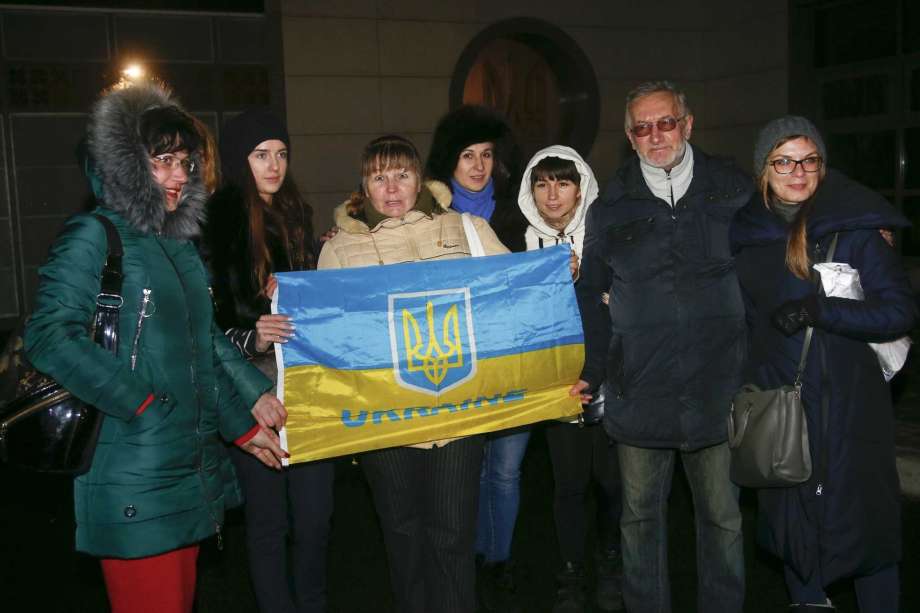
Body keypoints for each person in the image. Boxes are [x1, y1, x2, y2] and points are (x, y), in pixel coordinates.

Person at [23, 83, 286, 613]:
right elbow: (50, 334)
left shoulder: (174, 243)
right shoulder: (94, 235)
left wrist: (242, 423)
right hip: (132, 471)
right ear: (126, 163)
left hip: (185, 467)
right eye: (161, 161)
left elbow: (201, 344)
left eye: (185, 162)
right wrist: (140, 403)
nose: (178, 177)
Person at [572, 80, 749, 613]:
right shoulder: (610, 205)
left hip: (720, 386)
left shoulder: (734, 189)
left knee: (722, 519)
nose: (656, 136)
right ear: (630, 137)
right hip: (639, 389)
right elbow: (588, 293)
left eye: (666, 122)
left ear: (687, 125)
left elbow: (791, 220)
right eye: (642, 128)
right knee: (640, 520)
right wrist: (594, 369)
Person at [730, 116, 917, 612]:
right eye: (783, 161)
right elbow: (746, 323)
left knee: (865, 535)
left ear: (822, 166)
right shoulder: (746, 235)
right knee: (795, 533)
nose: (797, 171)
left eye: (808, 160)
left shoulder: (854, 229)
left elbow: (899, 310)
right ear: (763, 171)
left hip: (850, 411)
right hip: (783, 409)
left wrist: (823, 310)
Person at [318, 134, 508, 613]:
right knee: (402, 539)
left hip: (456, 414)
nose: (392, 187)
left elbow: (515, 290)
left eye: (401, 174)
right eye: (379, 177)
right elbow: (325, 333)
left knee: (452, 539)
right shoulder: (340, 248)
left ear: (419, 177)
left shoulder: (466, 229)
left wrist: (557, 271)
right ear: (364, 186)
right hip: (386, 421)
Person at [203, 108, 333, 613]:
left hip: (307, 382)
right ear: (241, 159)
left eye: (281, 154)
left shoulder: (295, 211)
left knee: (316, 516)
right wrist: (249, 335)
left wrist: (322, 266)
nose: (274, 165)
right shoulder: (218, 221)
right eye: (261, 155)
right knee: (267, 522)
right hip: (252, 390)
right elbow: (203, 322)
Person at [425, 105, 530, 610]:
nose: (478, 165)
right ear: (449, 160)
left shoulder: (520, 211)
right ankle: (466, 554)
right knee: (467, 467)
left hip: (514, 359)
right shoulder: (427, 220)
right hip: (458, 364)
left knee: (505, 470)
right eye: (467, 155)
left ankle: (498, 558)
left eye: (486, 154)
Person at [517, 145, 623, 613]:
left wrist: (586, 282)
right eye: (542, 184)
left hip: (610, 379)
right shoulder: (519, 243)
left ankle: (611, 563)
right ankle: (572, 574)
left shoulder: (605, 236)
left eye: (562, 182)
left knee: (611, 482)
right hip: (555, 386)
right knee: (569, 485)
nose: (552, 194)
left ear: (581, 187)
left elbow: (615, 313)